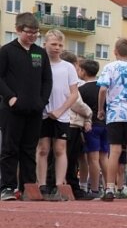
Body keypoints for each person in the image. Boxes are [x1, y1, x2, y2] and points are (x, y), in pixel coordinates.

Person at [0, 13, 53, 201]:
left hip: (34, 110)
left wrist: (42, 101)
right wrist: (10, 98)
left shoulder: (40, 52)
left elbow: (47, 80)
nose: (32, 36)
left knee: (29, 150)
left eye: (36, 33)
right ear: (18, 29)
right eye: (29, 32)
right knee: (9, 149)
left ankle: (28, 187)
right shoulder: (6, 51)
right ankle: (6, 187)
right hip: (12, 110)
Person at [97, 37, 127, 202]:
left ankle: (110, 188)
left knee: (115, 151)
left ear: (115, 52)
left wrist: (100, 108)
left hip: (115, 112)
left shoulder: (109, 67)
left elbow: (103, 89)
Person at [35, 30, 80, 196]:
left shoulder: (68, 67)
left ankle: (59, 184)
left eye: (60, 45)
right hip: (43, 113)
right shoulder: (39, 64)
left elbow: (74, 93)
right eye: (53, 44)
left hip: (62, 114)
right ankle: (41, 184)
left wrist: (61, 110)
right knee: (43, 149)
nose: (57, 48)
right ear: (45, 44)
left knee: (60, 149)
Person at [60, 50, 92, 199]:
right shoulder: (67, 80)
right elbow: (76, 103)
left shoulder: (71, 80)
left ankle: (72, 186)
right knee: (69, 158)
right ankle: (71, 187)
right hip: (70, 123)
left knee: (72, 158)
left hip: (75, 123)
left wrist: (87, 119)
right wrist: (89, 113)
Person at [78, 58, 106, 198]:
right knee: (104, 158)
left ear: (83, 71)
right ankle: (109, 187)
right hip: (105, 125)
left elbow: (79, 108)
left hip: (91, 126)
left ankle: (94, 189)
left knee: (92, 159)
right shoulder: (104, 88)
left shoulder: (81, 90)